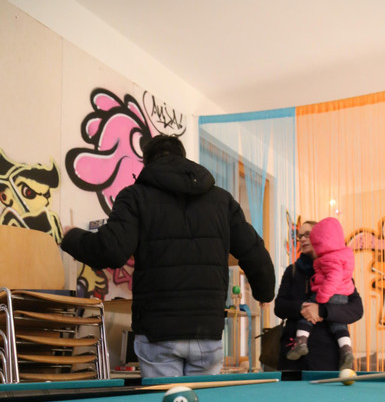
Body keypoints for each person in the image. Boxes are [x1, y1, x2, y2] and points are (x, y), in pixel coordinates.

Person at [61, 135, 275, 378]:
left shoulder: (135, 196)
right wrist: (265, 292)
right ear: (183, 159)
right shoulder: (221, 200)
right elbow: (254, 250)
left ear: (146, 162)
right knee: (201, 401)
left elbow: (110, 250)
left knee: (165, 400)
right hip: (206, 331)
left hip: (158, 331)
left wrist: (71, 237)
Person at [274, 220, 363, 372]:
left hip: (327, 356)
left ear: (321, 237)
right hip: (293, 359)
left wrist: (322, 311)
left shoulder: (339, 270)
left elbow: (356, 309)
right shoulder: (292, 271)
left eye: (307, 234)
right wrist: (302, 308)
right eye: (300, 236)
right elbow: (279, 307)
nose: (302, 239)